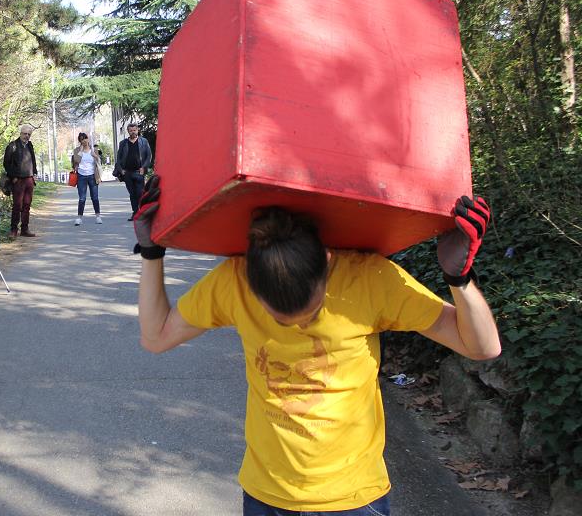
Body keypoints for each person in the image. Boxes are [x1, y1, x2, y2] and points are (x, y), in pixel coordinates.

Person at [132, 176, 501, 516]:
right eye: (279, 317)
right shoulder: (233, 281)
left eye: (309, 312)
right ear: (250, 282)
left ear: (327, 263)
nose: (298, 326)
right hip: (267, 496)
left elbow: (481, 347)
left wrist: (460, 279)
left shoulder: (370, 279)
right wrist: (151, 255)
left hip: (354, 499)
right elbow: (156, 336)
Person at [2, 124, 38, 238]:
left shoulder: (30, 145)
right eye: (25, 133)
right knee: (17, 205)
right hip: (18, 180)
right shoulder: (12, 146)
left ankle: (25, 229)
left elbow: (33, 160)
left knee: (27, 205)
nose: (26, 136)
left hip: (29, 179)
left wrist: (35, 174)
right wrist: (13, 177)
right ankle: (13, 230)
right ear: (20, 133)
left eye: (29, 134)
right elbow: (6, 164)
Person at [113, 124, 152, 220]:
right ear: (128, 131)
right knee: (132, 194)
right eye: (131, 130)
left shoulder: (143, 141)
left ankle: (142, 212)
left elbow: (149, 156)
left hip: (139, 172)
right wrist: (121, 170)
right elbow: (119, 157)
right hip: (127, 173)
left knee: (140, 193)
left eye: (134, 130)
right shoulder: (123, 143)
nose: (133, 132)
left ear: (137, 130)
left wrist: (144, 167)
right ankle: (135, 213)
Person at [71, 132, 103, 226]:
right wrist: (80, 151)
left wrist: (95, 156)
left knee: (95, 197)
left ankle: (98, 216)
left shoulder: (94, 149)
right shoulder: (77, 150)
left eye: (85, 138)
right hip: (81, 176)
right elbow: (76, 161)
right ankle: (79, 218)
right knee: (82, 198)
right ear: (80, 141)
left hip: (93, 175)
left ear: (88, 139)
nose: (84, 141)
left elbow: (99, 161)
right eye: (82, 139)